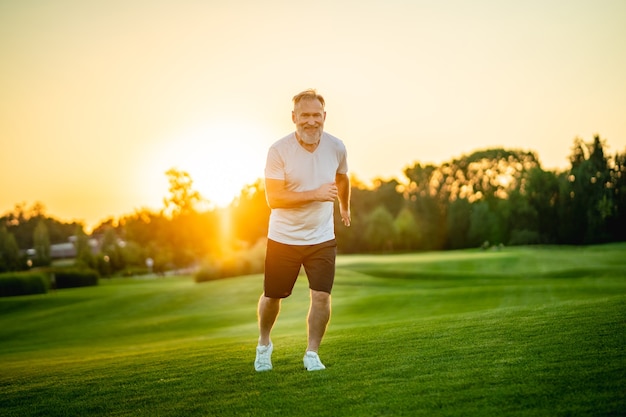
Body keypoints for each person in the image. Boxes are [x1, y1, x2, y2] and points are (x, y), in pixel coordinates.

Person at [255, 89, 351, 372]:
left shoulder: (336, 146)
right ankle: (264, 345)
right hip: (284, 238)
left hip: (322, 237)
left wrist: (344, 207)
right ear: (294, 117)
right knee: (272, 296)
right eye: (305, 115)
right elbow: (274, 199)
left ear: (324, 116)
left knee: (321, 295)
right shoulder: (278, 150)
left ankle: (312, 353)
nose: (311, 121)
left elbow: (343, 177)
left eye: (316, 115)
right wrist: (316, 193)